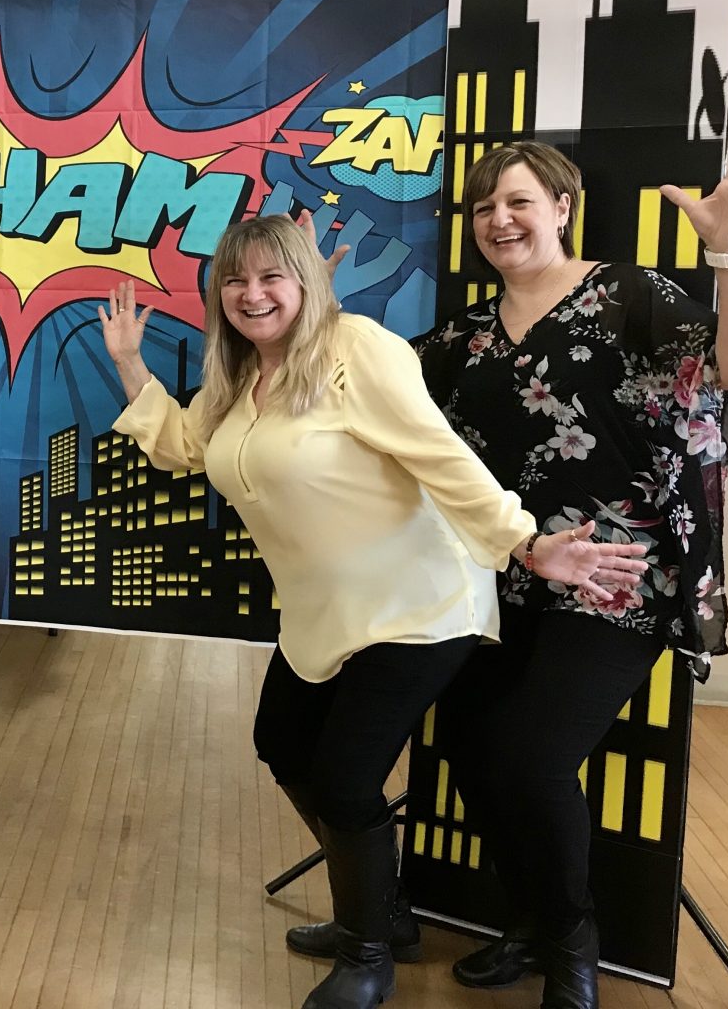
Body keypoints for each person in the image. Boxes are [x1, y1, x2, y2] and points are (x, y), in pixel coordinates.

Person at [98, 214, 647, 1009]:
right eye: (237, 280)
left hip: (418, 603)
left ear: (307, 283)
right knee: (282, 743)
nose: (252, 295)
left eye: (272, 276)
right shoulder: (236, 378)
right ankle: (384, 914)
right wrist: (128, 365)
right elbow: (185, 444)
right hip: (324, 613)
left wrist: (527, 541)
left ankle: (367, 956)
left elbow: (439, 452)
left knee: (345, 776)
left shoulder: (356, 350)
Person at [414, 138, 728, 1009]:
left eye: (519, 201)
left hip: (616, 582)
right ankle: (531, 921)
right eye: (483, 208)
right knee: (468, 747)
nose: (499, 220)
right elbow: (382, 406)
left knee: (533, 756)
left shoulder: (628, 293)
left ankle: (571, 939)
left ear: (563, 205)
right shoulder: (462, 335)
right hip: (504, 577)